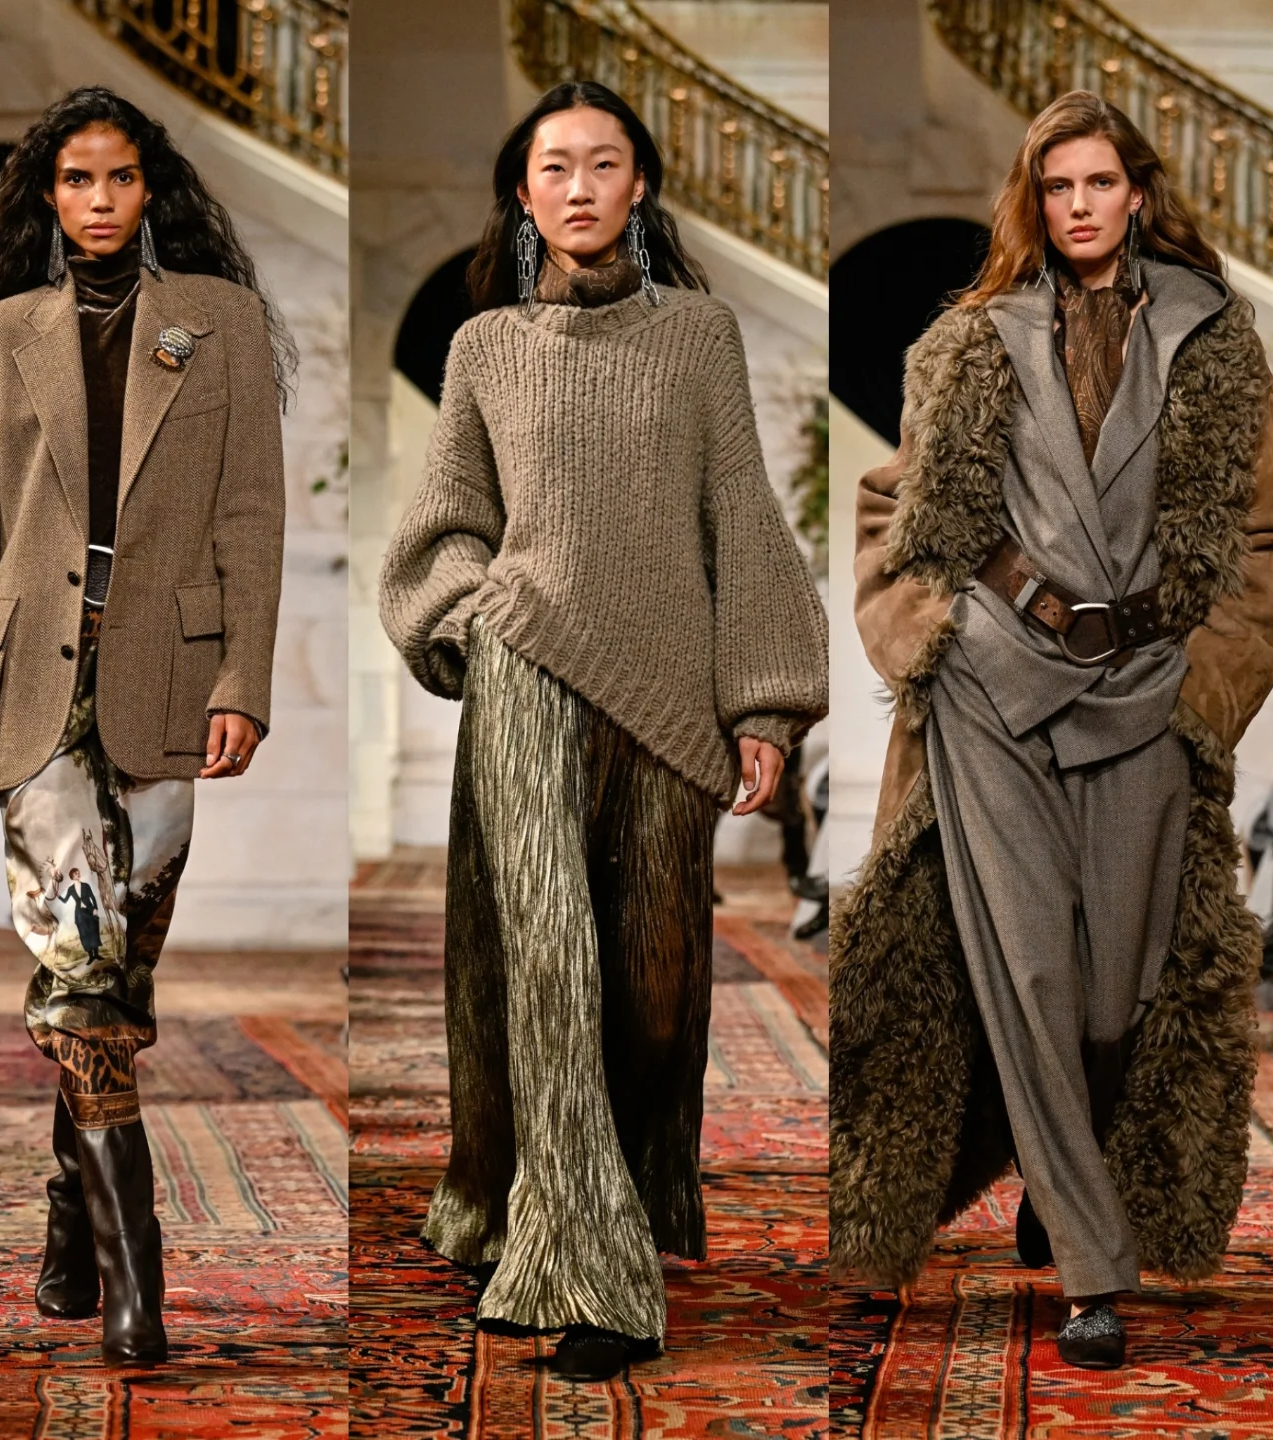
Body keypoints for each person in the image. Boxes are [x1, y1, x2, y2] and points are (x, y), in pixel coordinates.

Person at [830, 88, 1273, 1369]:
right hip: (996, 681)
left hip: (1149, 684)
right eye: (1057, 187)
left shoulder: (1214, 342)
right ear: (1032, 204)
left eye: (1100, 182)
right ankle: (1095, 1272)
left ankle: (1061, 1172)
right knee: (1032, 972)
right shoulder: (972, 340)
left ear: (1138, 194)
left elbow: (1270, 540)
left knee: (1118, 993)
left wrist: (1208, 692)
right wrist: (930, 638)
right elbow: (890, 505)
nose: (1080, 205)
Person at [378, 81, 828, 1381]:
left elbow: (742, 515)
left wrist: (763, 703)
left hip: (669, 704)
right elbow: (443, 525)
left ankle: (560, 1206)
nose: (578, 186)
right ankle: (594, 1276)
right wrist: (475, 612)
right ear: (522, 195)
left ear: (641, 185)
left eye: (604, 163)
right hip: (527, 682)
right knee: (548, 977)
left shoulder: (700, 337)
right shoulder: (486, 348)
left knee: (655, 988)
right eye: (554, 166)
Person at [0, 86, 289, 1366]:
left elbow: (252, 516)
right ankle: (140, 1278)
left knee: (116, 976)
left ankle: (67, 1221)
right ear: (48, 194)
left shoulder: (220, 321)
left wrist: (245, 681)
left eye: (120, 177)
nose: (98, 199)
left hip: (167, 678)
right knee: (80, 970)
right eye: (76, 179)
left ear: (150, 189)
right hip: (32, 683)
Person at [62, 866, 102, 962]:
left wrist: (95, 908)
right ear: (72, 876)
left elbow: (92, 897)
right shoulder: (71, 889)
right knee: (84, 934)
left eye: (78, 872)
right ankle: (91, 956)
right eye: (76, 873)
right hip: (79, 913)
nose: (78, 874)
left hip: (90, 910)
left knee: (94, 931)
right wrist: (58, 896)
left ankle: (96, 954)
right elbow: (65, 900)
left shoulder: (85, 885)